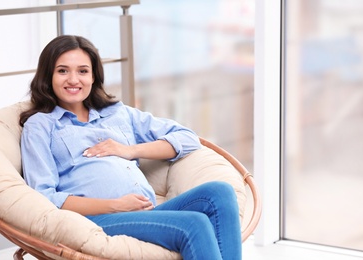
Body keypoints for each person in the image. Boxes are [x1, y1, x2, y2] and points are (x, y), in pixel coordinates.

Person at [19, 35, 242, 260]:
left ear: (94, 76)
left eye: (83, 71)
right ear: (48, 75)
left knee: (220, 192)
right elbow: (44, 197)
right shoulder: (40, 125)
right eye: (63, 71)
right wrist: (114, 206)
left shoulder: (117, 112)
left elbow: (187, 138)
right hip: (95, 219)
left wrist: (130, 150)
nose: (74, 79)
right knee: (193, 224)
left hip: (147, 214)